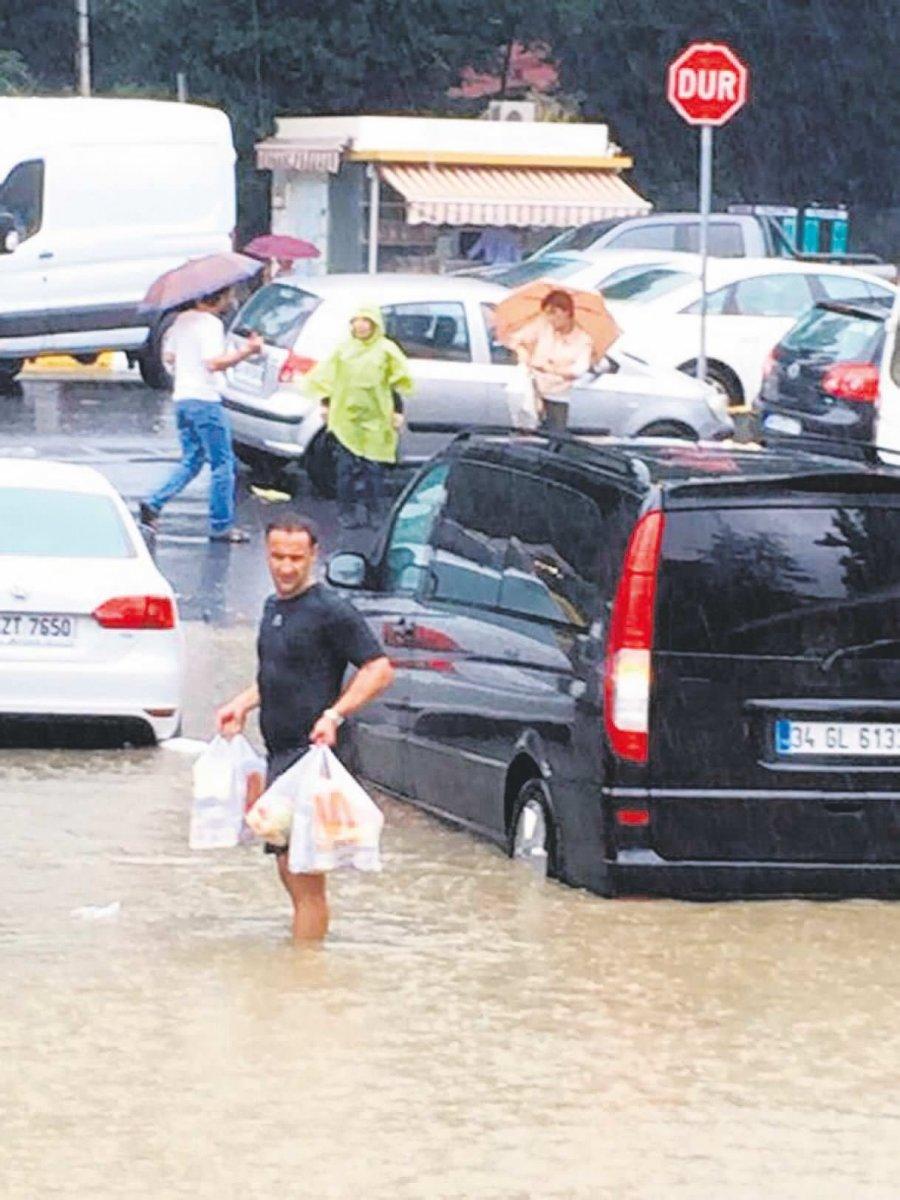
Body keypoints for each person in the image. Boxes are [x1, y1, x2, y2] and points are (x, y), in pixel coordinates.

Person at [215, 518, 394, 941]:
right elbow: (276, 674)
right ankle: (300, 968)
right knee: (286, 865)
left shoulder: (330, 610)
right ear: (266, 554)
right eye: (277, 557)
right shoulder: (272, 609)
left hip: (315, 759)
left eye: (296, 558)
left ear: (315, 555)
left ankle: (305, 972)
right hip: (280, 757)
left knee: (306, 874)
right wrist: (240, 705)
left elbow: (380, 669)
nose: (287, 567)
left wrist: (334, 715)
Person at [139, 286, 263, 543]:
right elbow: (213, 363)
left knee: (193, 459)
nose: (232, 300)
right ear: (218, 298)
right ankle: (221, 525)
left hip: (183, 399)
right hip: (205, 400)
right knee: (223, 464)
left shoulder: (180, 321)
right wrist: (247, 351)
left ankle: (155, 501)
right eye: (229, 295)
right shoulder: (210, 324)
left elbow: (170, 357)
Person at [305, 306, 412, 530]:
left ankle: (374, 512)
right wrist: (326, 403)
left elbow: (395, 383)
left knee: (374, 469)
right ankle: (346, 511)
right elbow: (328, 378)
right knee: (345, 469)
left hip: (377, 418)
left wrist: (397, 411)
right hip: (347, 418)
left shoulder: (386, 350)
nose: (361, 325)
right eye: (357, 320)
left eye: (366, 320)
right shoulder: (343, 351)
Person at [509, 289, 594, 432]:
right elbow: (517, 339)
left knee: (555, 436)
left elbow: (578, 370)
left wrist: (550, 369)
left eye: (554, 313)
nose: (551, 319)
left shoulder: (583, 339)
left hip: (559, 396)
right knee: (526, 433)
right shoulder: (543, 325)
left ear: (566, 312)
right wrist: (523, 355)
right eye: (548, 314)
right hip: (535, 391)